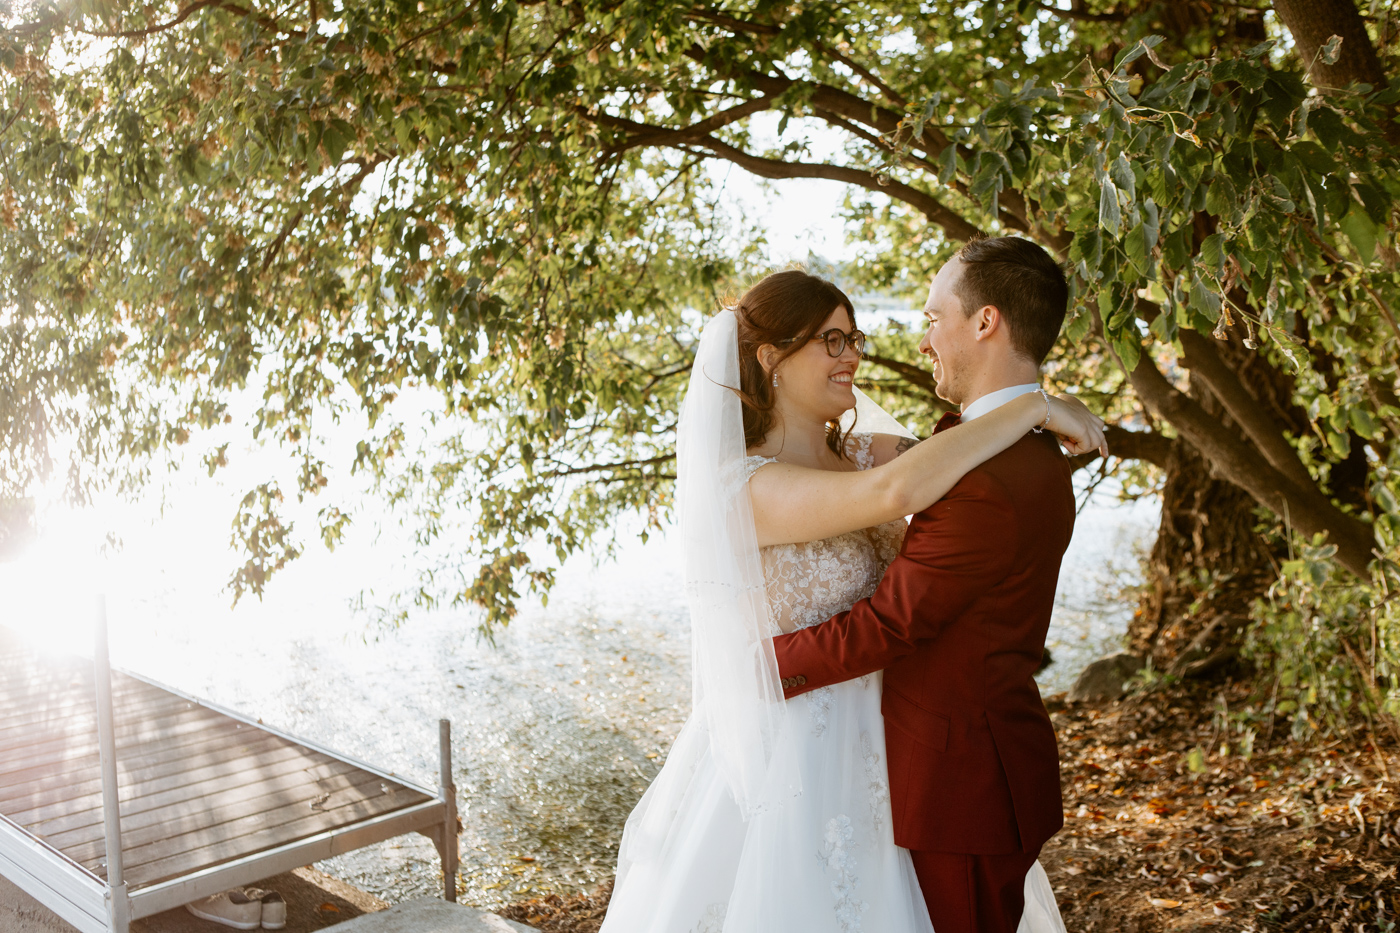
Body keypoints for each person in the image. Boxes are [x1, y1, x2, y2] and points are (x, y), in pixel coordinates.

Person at [599, 254, 1100, 933]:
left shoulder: (863, 451)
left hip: (901, 744)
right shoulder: (747, 487)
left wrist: (1032, 409)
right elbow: (899, 494)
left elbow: (963, 460)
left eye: (855, 338)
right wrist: (1037, 403)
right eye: (831, 340)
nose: (853, 357)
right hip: (797, 749)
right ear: (771, 356)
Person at [773, 236, 1081, 933]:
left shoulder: (989, 477)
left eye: (934, 315)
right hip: (958, 764)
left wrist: (761, 666)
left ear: (986, 322)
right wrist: (1040, 405)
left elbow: (892, 623)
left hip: (962, 784)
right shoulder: (1001, 449)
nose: (922, 339)